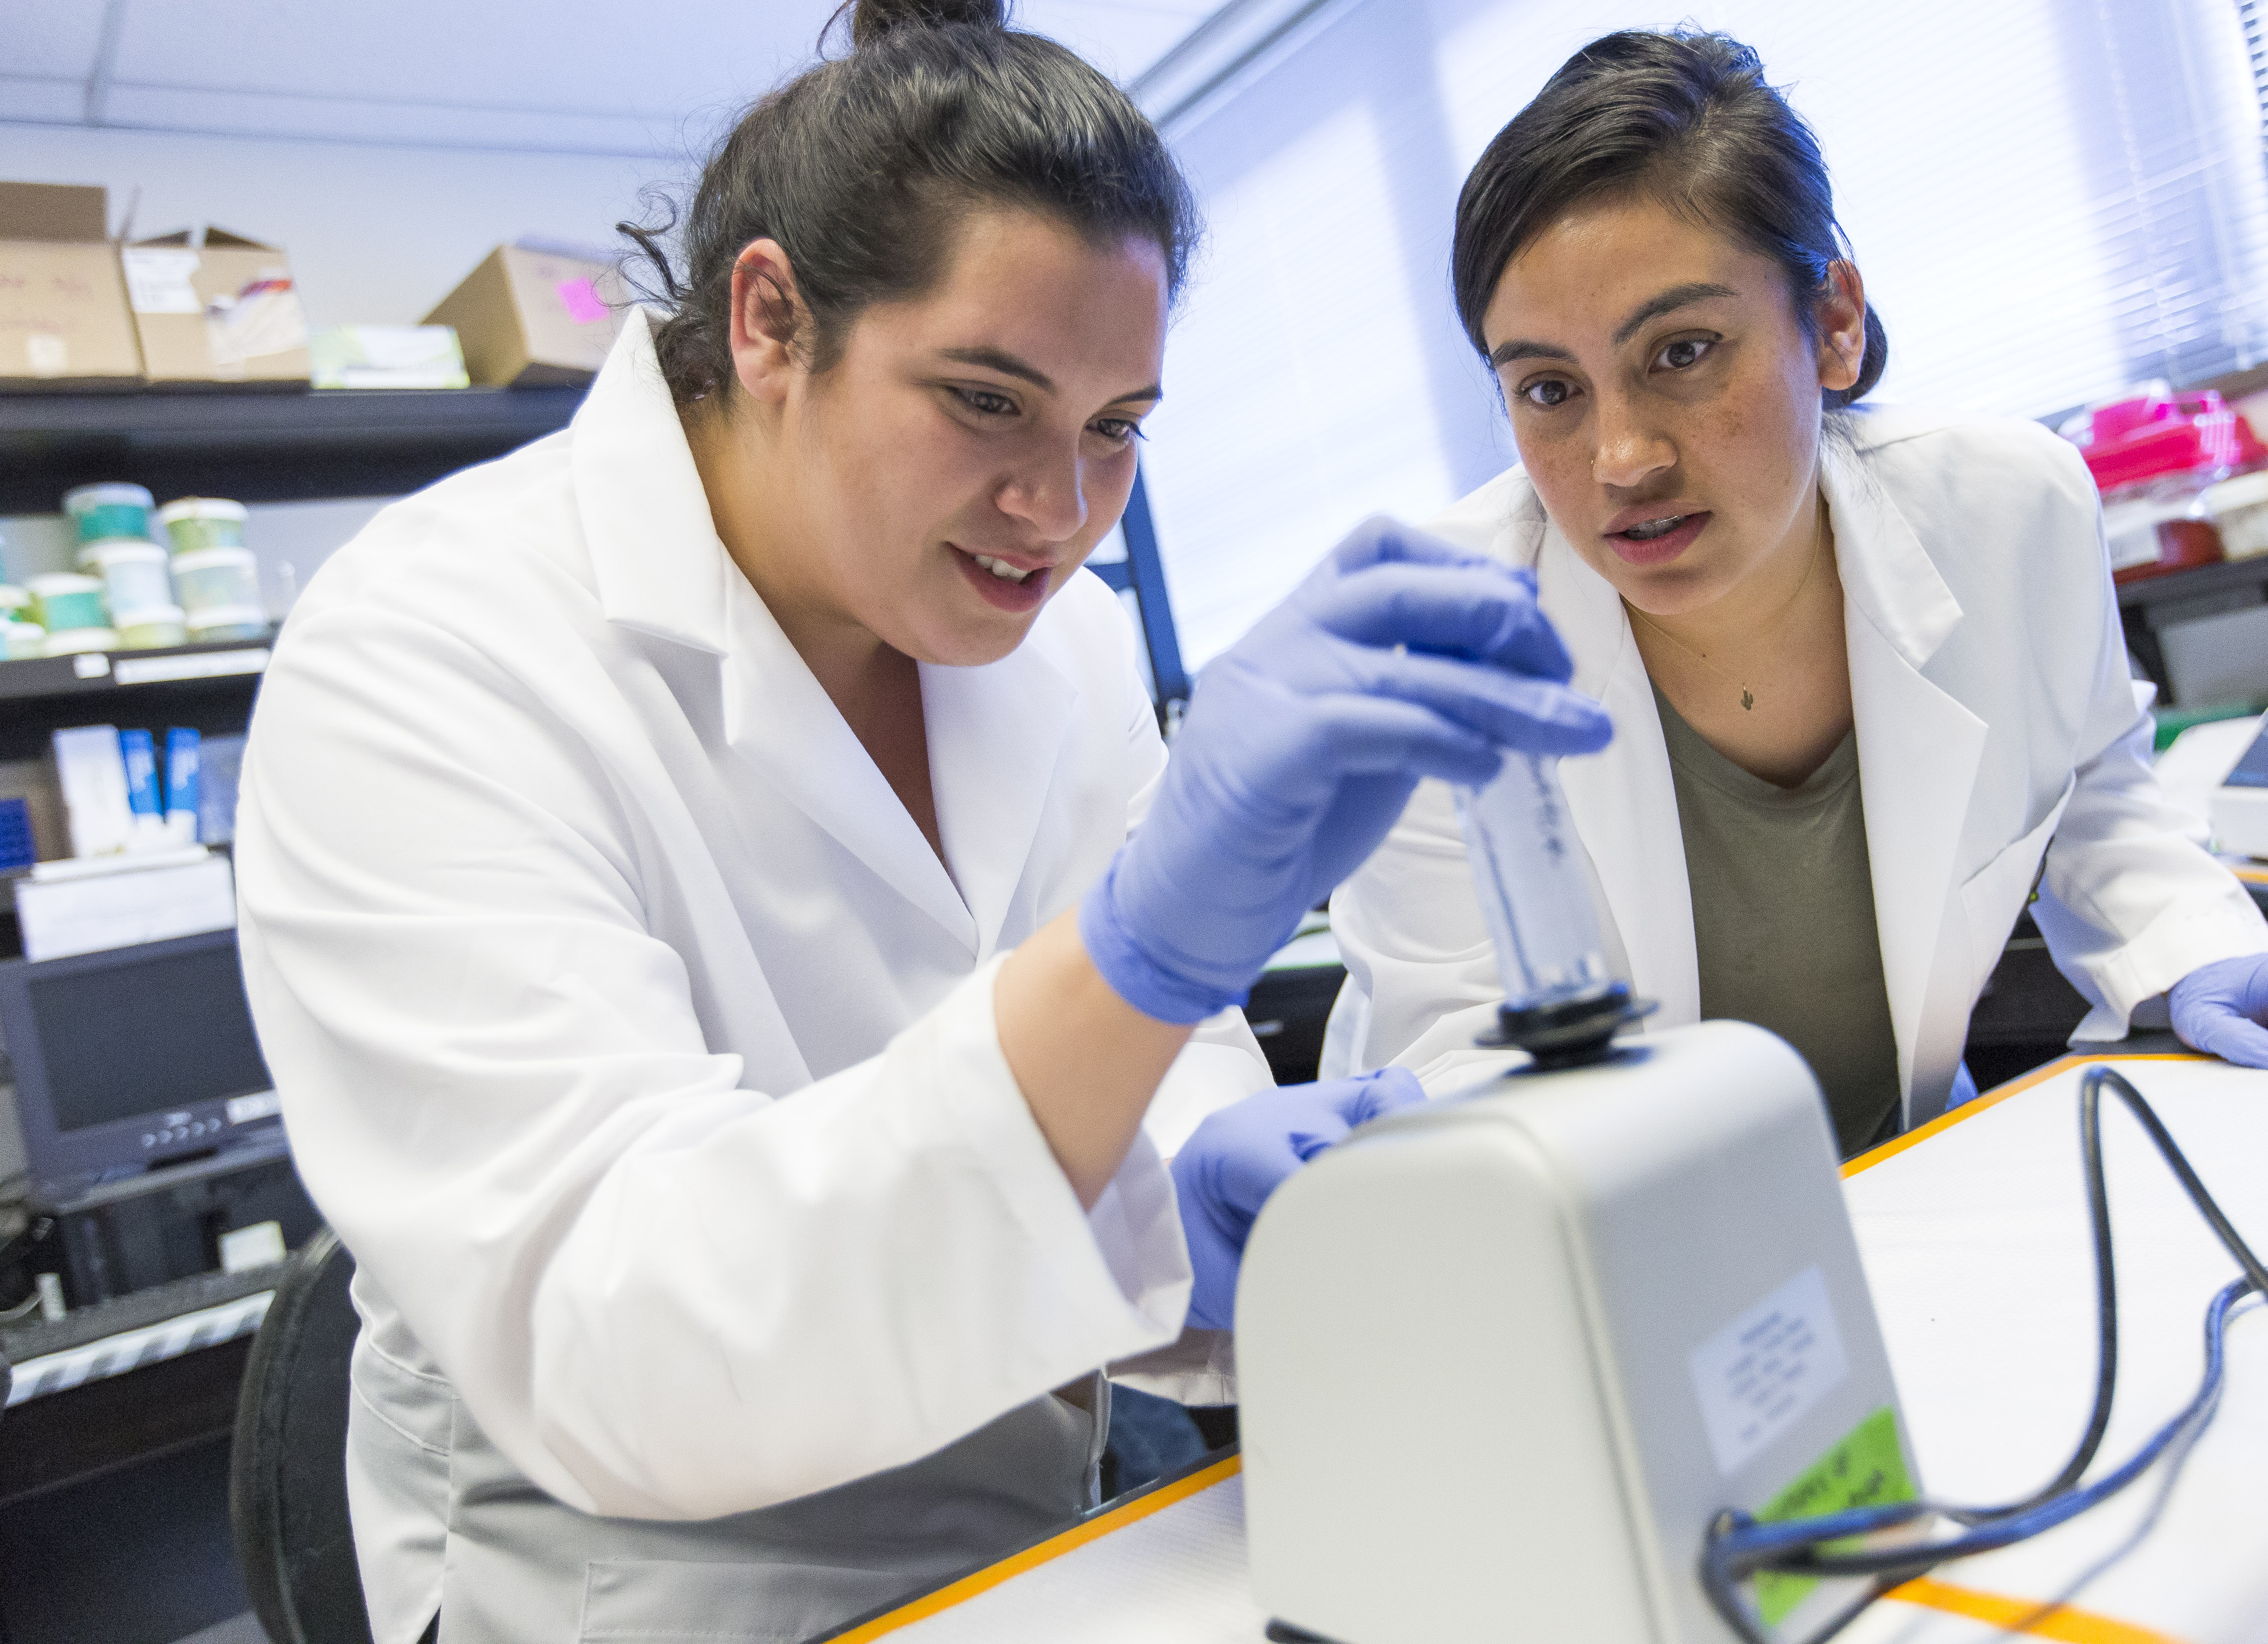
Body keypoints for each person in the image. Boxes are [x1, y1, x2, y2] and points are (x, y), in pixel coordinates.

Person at [235, 4, 1609, 1639]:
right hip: (647, 1589)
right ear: (768, 321)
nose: (1059, 508)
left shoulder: (1066, 639)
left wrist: (1202, 1193)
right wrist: (1134, 957)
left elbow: (1143, 1094)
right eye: (984, 400)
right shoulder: (431, 646)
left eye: (1116, 428)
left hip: (1045, 1540)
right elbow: (622, 1337)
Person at [1325, 30, 2268, 1153]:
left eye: (1682, 351)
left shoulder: (2006, 509)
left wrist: (2196, 954)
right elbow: (1455, 1064)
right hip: (1598, 1230)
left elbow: (2090, 796)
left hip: (1915, 1172)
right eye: (1549, 388)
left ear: (1832, 322)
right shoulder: (1435, 642)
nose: (1620, 457)